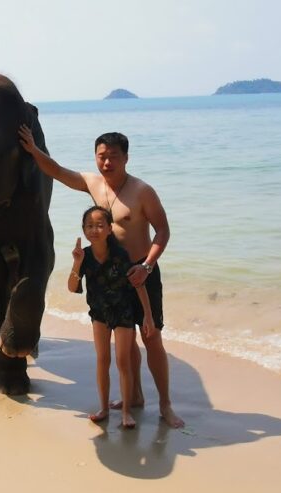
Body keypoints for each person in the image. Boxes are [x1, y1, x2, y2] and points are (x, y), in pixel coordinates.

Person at [18, 126, 185, 428]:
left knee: (151, 336)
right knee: (127, 339)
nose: (107, 163)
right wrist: (32, 149)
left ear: (126, 158)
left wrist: (147, 265)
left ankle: (165, 405)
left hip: (141, 271)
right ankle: (134, 398)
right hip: (111, 277)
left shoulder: (142, 191)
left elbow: (163, 231)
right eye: (102, 157)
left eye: (114, 157)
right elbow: (55, 171)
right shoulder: (93, 183)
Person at [70, 207, 156, 429]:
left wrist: (148, 316)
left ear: (109, 229)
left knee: (122, 362)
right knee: (102, 360)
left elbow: (138, 285)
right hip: (99, 313)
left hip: (123, 312)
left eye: (100, 225)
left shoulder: (120, 254)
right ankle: (104, 408)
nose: (94, 229)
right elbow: (72, 287)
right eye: (89, 225)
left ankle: (127, 411)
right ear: (84, 230)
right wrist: (77, 262)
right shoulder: (85, 256)